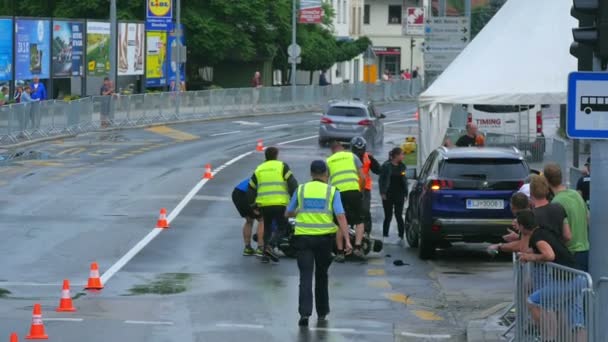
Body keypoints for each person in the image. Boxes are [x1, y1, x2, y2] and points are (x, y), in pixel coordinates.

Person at [285, 160, 352, 327]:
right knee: (322, 275)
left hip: (303, 239)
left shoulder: (301, 189)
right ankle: (322, 313)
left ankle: (304, 314)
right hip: (324, 241)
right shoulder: (332, 191)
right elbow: (341, 216)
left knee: (305, 276)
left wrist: (299, 211)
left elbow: (288, 213)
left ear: (311, 173)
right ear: (326, 174)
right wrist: (347, 241)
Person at [248, 147, 298, 263]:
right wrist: (294, 199)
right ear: (276, 155)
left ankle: (265, 255)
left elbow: (251, 189)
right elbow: (292, 183)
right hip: (279, 202)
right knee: (282, 226)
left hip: (264, 204)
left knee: (267, 228)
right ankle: (271, 245)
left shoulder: (259, 169)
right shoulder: (282, 166)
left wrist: (253, 205)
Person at [543, 163, 590, 272]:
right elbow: (588, 219)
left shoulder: (556, 203)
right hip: (585, 251)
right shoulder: (576, 194)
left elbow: (566, 236)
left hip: (570, 254)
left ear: (546, 181)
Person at [326, 141, 366, 262]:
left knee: (339, 222)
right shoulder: (352, 156)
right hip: (353, 190)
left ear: (332, 151)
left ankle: (340, 252)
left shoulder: (328, 160)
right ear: (342, 148)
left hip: (337, 193)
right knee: (359, 220)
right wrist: (361, 190)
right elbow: (363, 177)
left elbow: (325, 179)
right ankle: (358, 248)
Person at [350, 137, 381, 236]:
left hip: (365, 188)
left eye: (361, 150)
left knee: (365, 210)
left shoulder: (368, 157)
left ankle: (366, 231)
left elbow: (378, 169)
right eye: (357, 150)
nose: (359, 152)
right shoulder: (348, 158)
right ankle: (350, 228)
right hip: (352, 187)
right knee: (349, 209)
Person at [379, 147, 408, 242]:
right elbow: (381, 180)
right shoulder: (386, 166)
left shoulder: (402, 166)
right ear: (396, 156)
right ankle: (385, 235)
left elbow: (404, 180)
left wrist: (405, 192)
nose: (403, 156)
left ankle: (401, 235)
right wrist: (382, 192)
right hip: (388, 194)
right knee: (388, 215)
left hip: (399, 194)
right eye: (402, 154)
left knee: (399, 215)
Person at [232, 178, 264, 256]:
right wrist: (254, 207)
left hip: (236, 193)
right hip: (247, 194)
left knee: (249, 220)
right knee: (262, 219)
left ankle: (247, 248)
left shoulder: (262, 173)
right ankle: (260, 248)